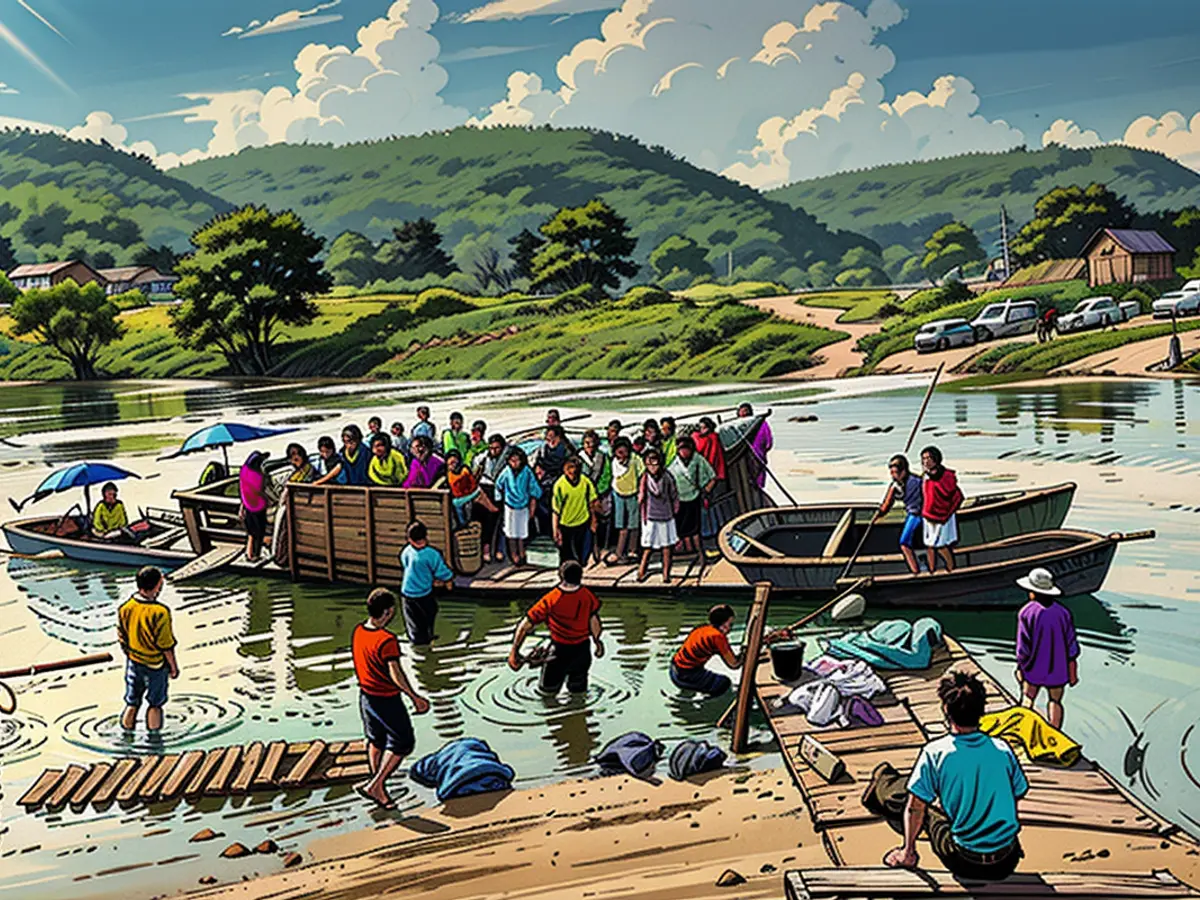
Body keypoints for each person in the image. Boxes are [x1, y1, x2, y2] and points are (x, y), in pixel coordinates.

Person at [863, 671, 1027, 880]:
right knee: (927, 793)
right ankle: (885, 783)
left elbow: (915, 808)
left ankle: (881, 784)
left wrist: (907, 852)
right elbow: (1018, 792)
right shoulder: (1002, 749)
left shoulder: (936, 752)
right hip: (1006, 861)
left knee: (914, 800)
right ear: (982, 710)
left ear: (946, 709)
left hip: (964, 861)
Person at [352, 587, 430, 809]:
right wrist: (415, 697)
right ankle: (376, 785)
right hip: (386, 698)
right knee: (403, 742)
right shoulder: (387, 640)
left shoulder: (358, 632)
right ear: (386, 612)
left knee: (376, 739)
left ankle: (377, 784)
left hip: (366, 696)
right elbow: (396, 673)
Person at [507, 561, 604, 695]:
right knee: (578, 695)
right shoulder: (587, 596)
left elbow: (525, 625)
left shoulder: (551, 599)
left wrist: (514, 652)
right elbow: (594, 621)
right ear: (580, 577)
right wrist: (598, 643)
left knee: (547, 694)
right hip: (582, 651)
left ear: (560, 576)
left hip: (558, 652)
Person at [1015, 568, 1079, 729]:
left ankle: (1024, 730)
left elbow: (1023, 648)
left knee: (1028, 698)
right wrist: (1072, 668)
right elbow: (1072, 646)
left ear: (1033, 592)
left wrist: (1020, 667)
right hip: (1058, 668)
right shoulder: (1064, 613)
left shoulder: (1026, 613)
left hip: (1033, 667)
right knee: (1055, 702)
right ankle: (1055, 734)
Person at [118, 566, 178, 733]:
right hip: (156, 665)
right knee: (155, 705)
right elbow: (166, 644)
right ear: (157, 586)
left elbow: (121, 636)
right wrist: (173, 667)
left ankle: (126, 735)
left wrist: (131, 654)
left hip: (134, 662)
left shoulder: (126, 607)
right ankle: (154, 743)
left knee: (132, 702)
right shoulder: (160, 612)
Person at [398, 521, 454, 645]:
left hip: (407, 593)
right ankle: (426, 641)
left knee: (414, 623)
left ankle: (418, 640)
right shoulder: (431, 554)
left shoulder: (407, 551)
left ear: (409, 539)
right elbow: (442, 572)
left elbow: (404, 563)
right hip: (423, 593)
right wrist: (449, 578)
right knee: (429, 615)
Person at [670, 604, 739, 697]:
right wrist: (745, 654)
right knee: (723, 683)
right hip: (685, 676)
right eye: (730, 624)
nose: (730, 628)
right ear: (722, 624)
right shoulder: (717, 637)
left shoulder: (703, 629)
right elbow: (734, 664)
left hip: (674, 669)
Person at [494, 447, 542, 567]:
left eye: (517, 460)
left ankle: (522, 552)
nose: (514, 463)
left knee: (522, 532)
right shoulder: (506, 471)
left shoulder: (527, 471)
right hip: (510, 506)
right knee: (511, 532)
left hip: (523, 506)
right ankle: (514, 554)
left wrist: (533, 504)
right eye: (512, 460)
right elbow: (498, 484)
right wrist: (499, 499)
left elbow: (534, 488)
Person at [637, 449, 679, 584]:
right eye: (649, 464)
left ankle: (666, 574)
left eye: (655, 464)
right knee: (648, 547)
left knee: (667, 547)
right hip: (651, 516)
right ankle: (641, 572)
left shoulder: (667, 477)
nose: (652, 467)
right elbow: (641, 496)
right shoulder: (644, 477)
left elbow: (674, 494)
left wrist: (675, 510)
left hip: (666, 515)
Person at [669, 436, 716, 557]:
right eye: (681, 449)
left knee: (695, 525)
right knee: (682, 524)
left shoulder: (698, 460)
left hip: (695, 496)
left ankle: (698, 549)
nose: (684, 452)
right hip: (679, 498)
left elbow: (712, 476)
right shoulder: (674, 462)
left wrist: (706, 490)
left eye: (686, 449)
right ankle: (686, 548)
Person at [878, 454, 923, 575]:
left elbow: (886, 507)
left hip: (918, 515)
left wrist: (879, 513)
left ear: (903, 471)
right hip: (914, 514)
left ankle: (916, 572)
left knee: (904, 543)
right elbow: (886, 505)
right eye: (891, 473)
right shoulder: (898, 485)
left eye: (896, 472)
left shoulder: (917, 482)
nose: (893, 476)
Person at [921, 445, 963, 574]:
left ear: (936, 459)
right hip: (928, 516)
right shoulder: (926, 477)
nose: (926, 461)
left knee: (941, 546)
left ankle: (951, 570)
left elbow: (957, 497)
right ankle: (932, 571)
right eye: (923, 459)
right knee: (929, 545)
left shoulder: (946, 477)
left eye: (929, 458)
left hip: (942, 517)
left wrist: (946, 513)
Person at [552, 455, 599, 565]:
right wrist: (556, 529)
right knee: (566, 556)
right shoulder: (559, 485)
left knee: (581, 555)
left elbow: (592, 502)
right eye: (569, 468)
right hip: (565, 524)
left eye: (575, 467)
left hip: (582, 522)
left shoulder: (585, 482)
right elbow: (556, 510)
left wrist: (594, 520)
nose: (572, 471)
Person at [606, 437, 643, 566]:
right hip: (618, 493)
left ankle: (633, 551)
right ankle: (619, 552)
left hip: (633, 493)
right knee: (621, 525)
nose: (622, 455)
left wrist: (640, 491)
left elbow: (642, 474)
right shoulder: (613, 462)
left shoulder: (635, 460)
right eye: (619, 452)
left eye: (624, 451)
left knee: (634, 524)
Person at [473, 433, 509, 563]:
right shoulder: (482, 458)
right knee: (483, 521)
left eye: (497, 448)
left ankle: (499, 550)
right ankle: (485, 549)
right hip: (483, 488)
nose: (493, 451)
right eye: (491, 448)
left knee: (498, 522)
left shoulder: (507, 458)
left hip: (499, 490)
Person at [578, 430, 612, 563]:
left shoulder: (602, 457)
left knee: (602, 522)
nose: (590, 446)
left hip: (601, 495)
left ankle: (603, 549)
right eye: (587, 443)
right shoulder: (579, 458)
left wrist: (598, 492)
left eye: (592, 443)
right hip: (584, 495)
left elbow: (607, 475)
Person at [533, 425, 570, 536]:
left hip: (559, 482)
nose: (550, 440)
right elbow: (538, 464)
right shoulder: (543, 449)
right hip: (544, 483)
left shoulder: (565, 450)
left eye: (553, 437)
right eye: (548, 437)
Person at [446, 449, 498, 527]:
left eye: (454, 461)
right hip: (458, 499)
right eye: (450, 462)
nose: (452, 464)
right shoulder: (446, 473)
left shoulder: (464, 470)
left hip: (470, 493)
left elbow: (471, 482)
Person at [239, 450, 273, 562]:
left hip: (247, 504)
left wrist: (242, 506)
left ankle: (248, 553)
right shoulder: (257, 476)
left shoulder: (244, 471)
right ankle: (255, 555)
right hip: (258, 505)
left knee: (251, 533)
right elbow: (261, 490)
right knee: (259, 532)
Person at [739, 403, 773, 489]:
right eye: (741, 411)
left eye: (745, 411)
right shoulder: (739, 424)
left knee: (757, 474)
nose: (743, 413)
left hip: (757, 453)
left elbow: (768, 442)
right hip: (748, 455)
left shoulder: (761, 423)